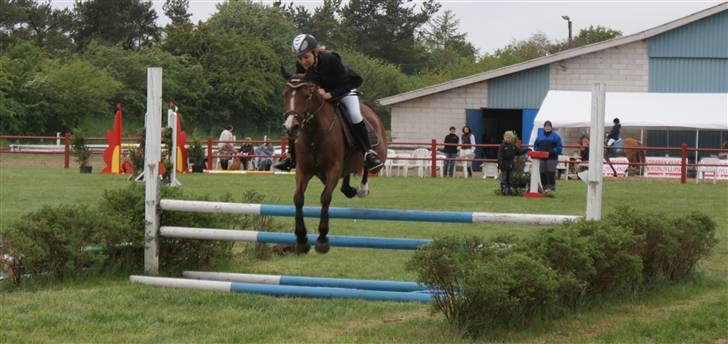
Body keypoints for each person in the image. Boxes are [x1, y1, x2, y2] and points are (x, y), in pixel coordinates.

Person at [273, 34, 383, 172]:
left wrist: (330, 94)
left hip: (344, 90)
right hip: (321, 94)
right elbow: (303, 84)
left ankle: (369, 154)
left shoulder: (331, 59)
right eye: (300, 58)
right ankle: (291, 157)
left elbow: (351, 82)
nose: (303, 61)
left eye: (306, 57)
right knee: (296, 117)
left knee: (355, 114)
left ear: (315, 52)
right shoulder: (301, 65)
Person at [533, 120, 563, 192]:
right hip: (542, 158)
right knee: (542, 172)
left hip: (552, 158)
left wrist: (552, 151)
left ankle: (551, 188)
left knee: (551, 172)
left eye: (549, 126)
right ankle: (544, 188)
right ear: (544, 127)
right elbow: (535, 146)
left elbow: (559, 148)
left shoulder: (556, 137)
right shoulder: (539, 137)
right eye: (546, 126)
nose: (547, 127)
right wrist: (538, 150)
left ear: (551, 127)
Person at [497, 131, 527, 195]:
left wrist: (526, 150)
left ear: (511, 138)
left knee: (509, 178)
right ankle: (503, 190)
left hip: (510, 164)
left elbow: (519, 152)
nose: (508, 139)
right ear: (504, 137)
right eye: (507, 137)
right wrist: (500, 165)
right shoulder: (502, 146)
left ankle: (509, 190)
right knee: (504, 178)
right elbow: (499, 156)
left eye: (509, 138)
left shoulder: (513, 146)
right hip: (504, 164)